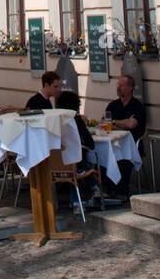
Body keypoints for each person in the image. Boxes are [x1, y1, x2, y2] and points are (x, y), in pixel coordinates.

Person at [102, 73, 146, 203]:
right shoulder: (113, 105)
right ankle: (108, 189)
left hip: (131, 143)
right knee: (102, 156)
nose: (118, 87)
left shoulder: (137, 106)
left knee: (123, 159)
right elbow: (105, 124)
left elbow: (132, 124)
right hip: (112, 141)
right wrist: (122, 122)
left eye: (121, 85)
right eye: (118, 85)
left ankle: (122, 191)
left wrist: (115, 122)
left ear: (130, 88)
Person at [57, 90, 102, 210]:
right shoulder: (76, 120)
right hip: (74, 163)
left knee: (75, 164)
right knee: (81, 163)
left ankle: (79, 199)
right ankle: (95, 189)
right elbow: (90, 144)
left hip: (56, 164)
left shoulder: (54, 120)